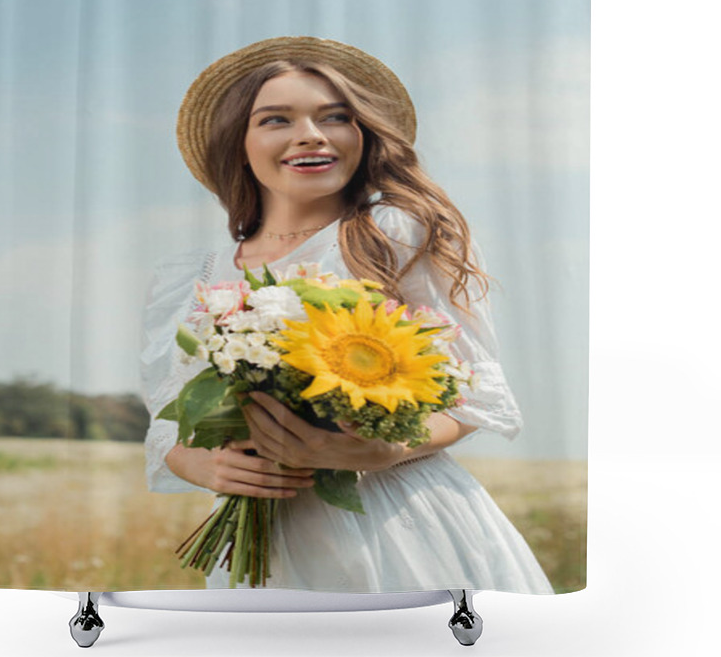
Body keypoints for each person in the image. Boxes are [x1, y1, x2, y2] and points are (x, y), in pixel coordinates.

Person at [139, 36, 553, 594]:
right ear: (239, 144)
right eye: (275, 120)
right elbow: (168, 422)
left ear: (362, 134)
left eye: (334, 117)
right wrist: (206, 467)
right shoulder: (189, 278)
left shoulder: (398, 234)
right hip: (269, 543)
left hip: (397, 523)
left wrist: (381, 448)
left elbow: (474, 394)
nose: (309, 134)